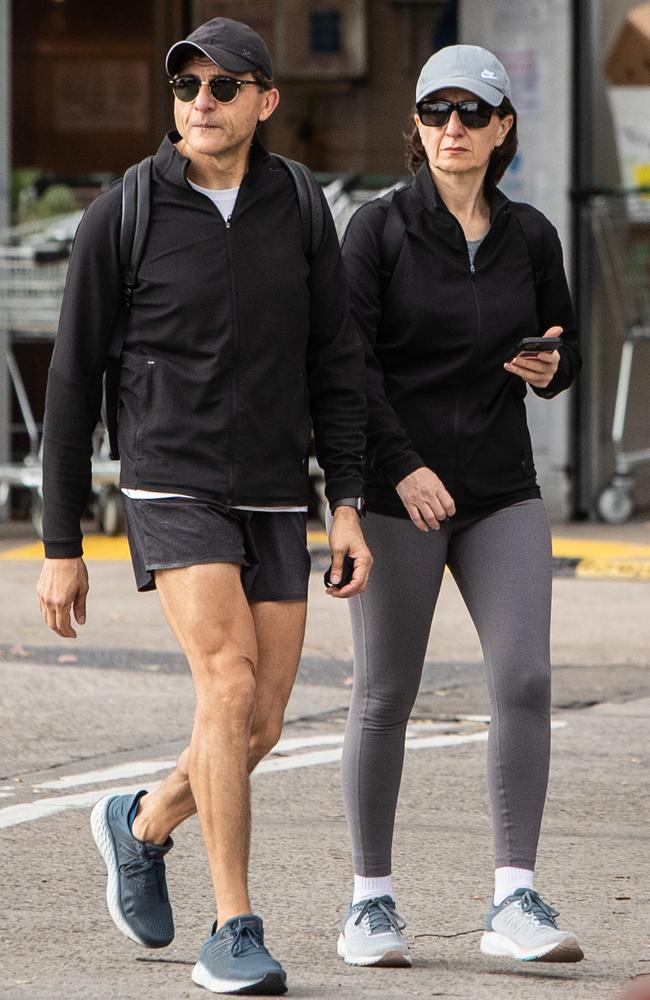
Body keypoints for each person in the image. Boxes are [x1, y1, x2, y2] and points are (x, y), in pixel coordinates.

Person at [36, 16, 371, 997]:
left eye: (225, 88)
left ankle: (139, 823)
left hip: (275, 488)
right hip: (171, 477)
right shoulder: (126, 210)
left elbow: (333, 360)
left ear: (265, 101)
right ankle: (233, 927)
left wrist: (343, 499)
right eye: (187, 87)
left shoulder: (298, 204)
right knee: (225, 687)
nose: (202, 104)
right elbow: (70, 381)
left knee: (260, 721)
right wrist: (63, 540)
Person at [336, 44, 583, 968]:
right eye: (436, 112)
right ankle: (370, 903)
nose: (452, 129)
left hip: (500, 489)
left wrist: (556, 367)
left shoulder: (532, 236)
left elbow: (564, 355)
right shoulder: (379, 231)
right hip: (403, 495)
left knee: (524, 680)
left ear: (502, 128)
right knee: (384, 695)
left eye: (471, 114)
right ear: (417, 126)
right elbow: (347, 369)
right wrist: (395, 469)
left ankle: (513, 898)